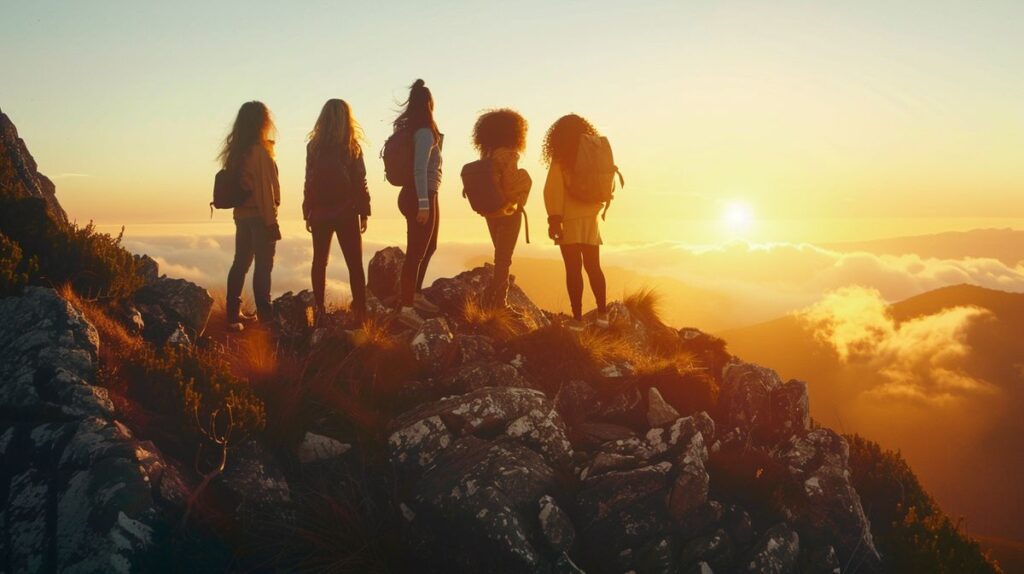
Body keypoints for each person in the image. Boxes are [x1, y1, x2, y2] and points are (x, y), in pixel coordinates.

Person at [303, 99, 371, 325]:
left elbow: (309, 180)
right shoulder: (351, 146)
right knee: (354, 264)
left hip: (320, 213)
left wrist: (308, 210)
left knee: (319, 262)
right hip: (346, 211)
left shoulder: (313, 147)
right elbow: (359, 179)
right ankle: (361, 312)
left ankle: (320, 310)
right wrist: (364, 211)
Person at [542, 114, 608, 331]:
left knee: (573, 270)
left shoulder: (562, 157)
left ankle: (578, 319)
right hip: (591, 220)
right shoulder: (594, 152)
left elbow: (553, 190)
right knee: (594, 268)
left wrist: (554, 219)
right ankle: (603, 314)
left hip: (568, 220)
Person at [220, 101, 281, 331]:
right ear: (261, 123)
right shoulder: (259, 152)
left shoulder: (237, 152)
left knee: (241, 263)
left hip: (241, 216)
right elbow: (265, 192)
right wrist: (271, 223)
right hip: (259, 216)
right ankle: (266, 319)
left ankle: (232, 316)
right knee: (263, 267)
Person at [470, 109, 531, 309]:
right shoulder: (509, 155)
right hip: (508, 211)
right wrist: (526, 180)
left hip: (490, 212)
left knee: (500, 254)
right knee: (504, 259)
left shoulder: (486, 155)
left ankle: (495, 300)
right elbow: (512, 184)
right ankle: (499, 304)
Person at [394, 79, 442, 325]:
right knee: (415, 252)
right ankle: (406, 308)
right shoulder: (423, 133)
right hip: (419, 195)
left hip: (422, 194)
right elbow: (419, 169)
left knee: (429, 246)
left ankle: (415, 294)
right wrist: (424, 203)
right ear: (429, 105)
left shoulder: (411, 130)